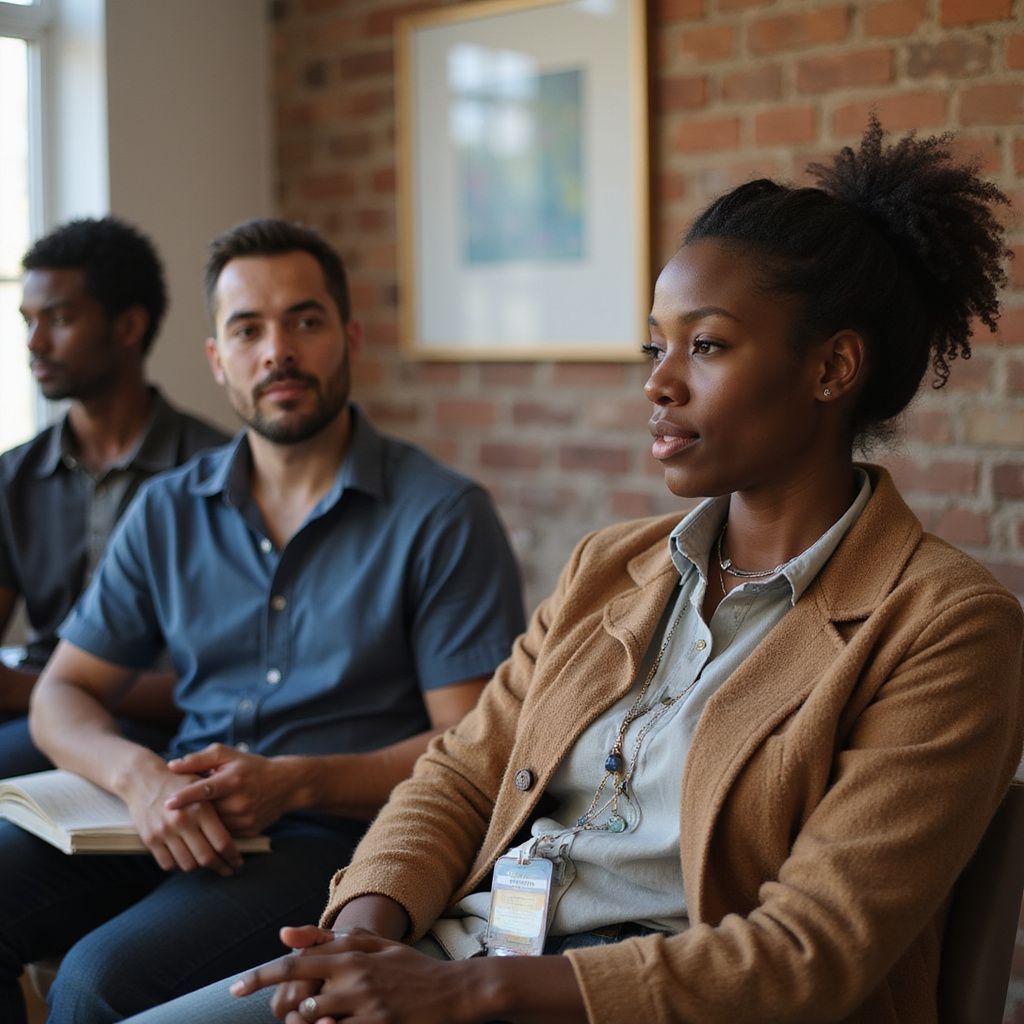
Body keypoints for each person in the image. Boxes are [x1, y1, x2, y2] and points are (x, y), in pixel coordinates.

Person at [130, 118, 1023, 1024]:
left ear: (833, 367)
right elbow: (462, 775)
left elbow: (808, 955)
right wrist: (364, 938)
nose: (658, 384)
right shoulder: (613, 567)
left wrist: (463, 991)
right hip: (460, 958)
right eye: (654, 346)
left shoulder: (946, 626)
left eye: (705, 346)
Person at [0, 218, 525, 1024]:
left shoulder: (441, 515)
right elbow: (62, 691)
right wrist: (135, 777)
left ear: (347, 338)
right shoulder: (168, 508)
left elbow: (477, 749)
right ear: (218, 359)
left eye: (304, 321)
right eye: (248, 329)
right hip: (172, 813)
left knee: (97, 982)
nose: (277, 350)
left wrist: (297, 781)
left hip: (332, 839)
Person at [0, 216, 228, 777]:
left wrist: (49, 690)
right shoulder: (14, 475)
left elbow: (223, 682)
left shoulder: (218, 473)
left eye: (60, 319)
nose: (35, 343)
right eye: (28, 321)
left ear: (128, 326)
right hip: (34, 712)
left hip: (162, 734)